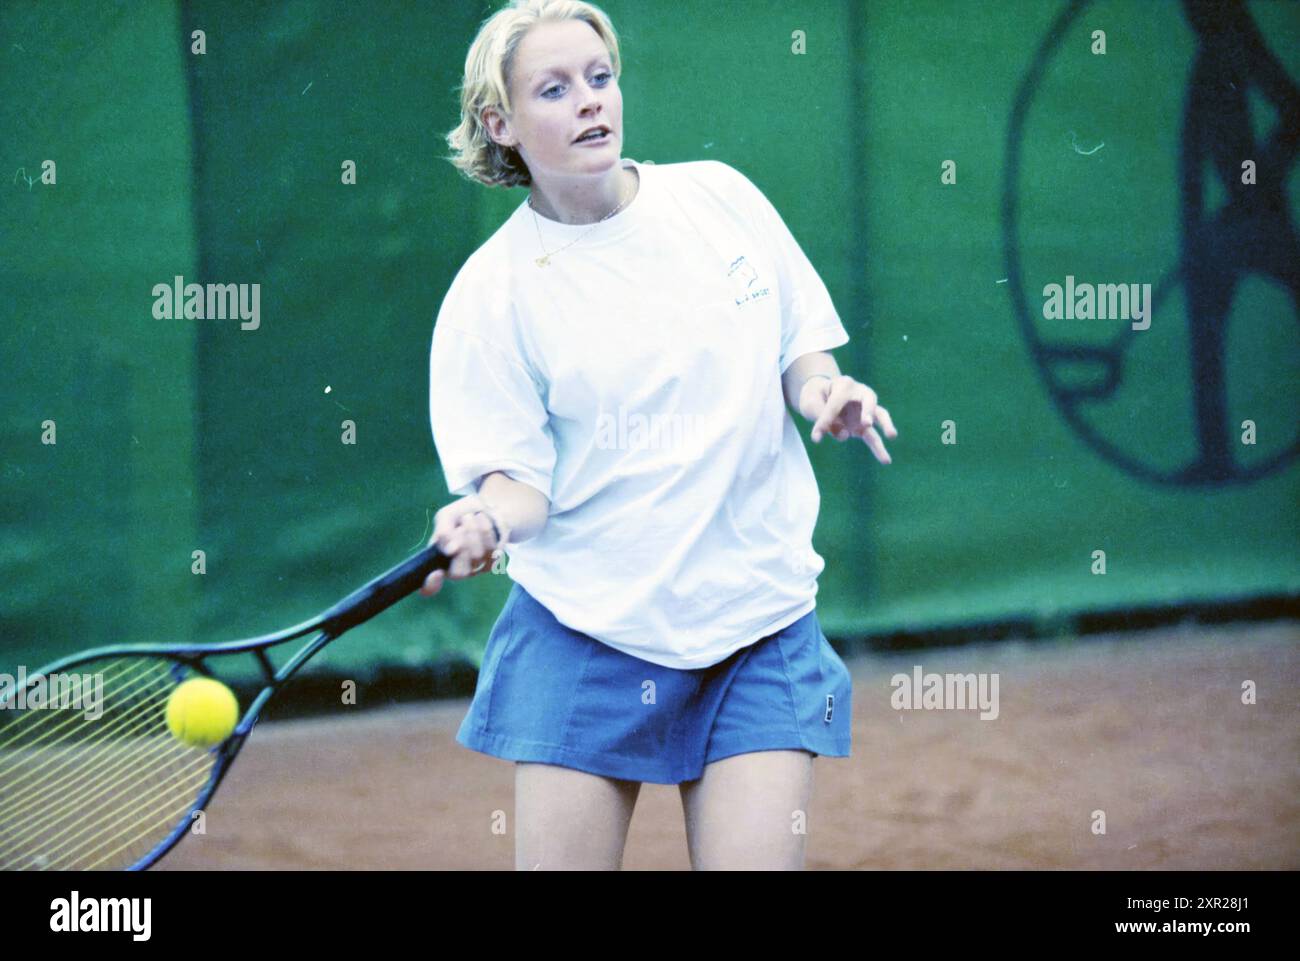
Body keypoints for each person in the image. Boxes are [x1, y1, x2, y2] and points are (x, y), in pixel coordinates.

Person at [422, 0, 897, 870]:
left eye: (600, 79)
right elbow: (518, 487)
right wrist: (486, 521)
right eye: (556, 89)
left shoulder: (721, 199)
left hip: (756, 622)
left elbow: (802, 352)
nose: (590, 102)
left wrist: (829, 394)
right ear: (502, 123)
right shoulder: (491, 295)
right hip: (587, 635)